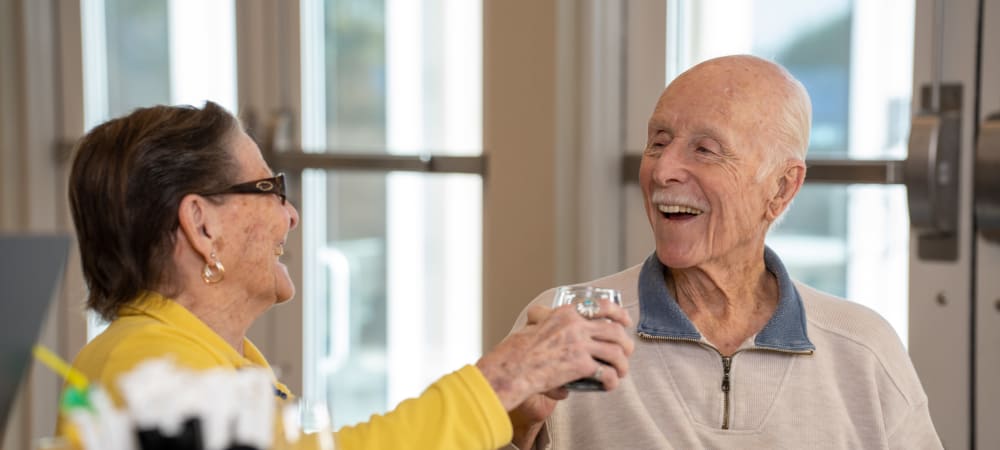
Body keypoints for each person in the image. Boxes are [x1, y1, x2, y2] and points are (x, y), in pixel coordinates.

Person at [62, 101, 634, 449]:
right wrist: (507, 373)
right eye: (269, 190)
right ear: (200, 225)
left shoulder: (210, 357)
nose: (291, 215)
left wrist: (511, 416)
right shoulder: (145, 369)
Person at [506, 55, 943, 449]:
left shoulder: (861, 349)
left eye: (705, 150)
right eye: (658, 141)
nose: (663, 170)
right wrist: (515, 424)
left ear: (781, 187)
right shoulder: (572, 324)